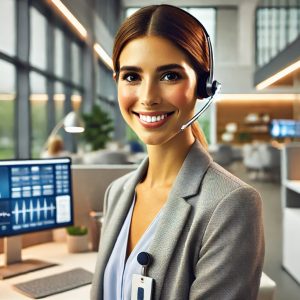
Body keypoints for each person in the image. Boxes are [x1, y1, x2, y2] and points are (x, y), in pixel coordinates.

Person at [91, 4, 264, 300]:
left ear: (203, 86)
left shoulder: (231, 205)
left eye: (170, 76)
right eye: (132, 77)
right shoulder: (117, 192)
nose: (148, 98)